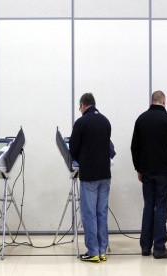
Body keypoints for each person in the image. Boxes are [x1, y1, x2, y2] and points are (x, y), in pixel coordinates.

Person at [130, 90, 167, 259]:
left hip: (146, 171)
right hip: (163, 171)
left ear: (152, 101)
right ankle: (159, 247)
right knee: (161, 206)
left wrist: (139, 168)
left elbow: (134, 147)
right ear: (164, 102)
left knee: (148, 206)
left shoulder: (141, 119)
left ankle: (145, 246)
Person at [69, 93, 112, 263]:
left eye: (79, 107)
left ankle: (93, 251)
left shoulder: (81, 122)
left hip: (89, 176)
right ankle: (102, 250)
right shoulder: (105, 121)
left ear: (83, 105)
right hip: (105, 175)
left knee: (89, 214)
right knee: (101, 213)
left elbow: (73, 148)